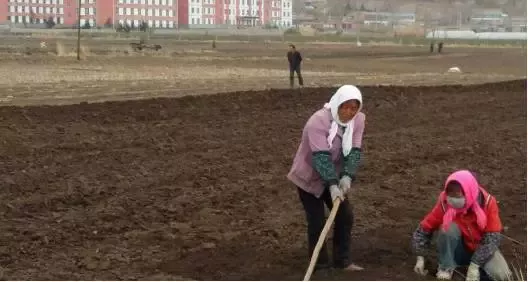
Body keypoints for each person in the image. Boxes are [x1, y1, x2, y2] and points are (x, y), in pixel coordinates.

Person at [287, 85, 366, 272]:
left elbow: (354, 150)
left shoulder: (359, 120)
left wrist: (347, 176)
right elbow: (321, 156)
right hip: (309, 177)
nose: (349, 112)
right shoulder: (318, 121)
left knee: (345, 215)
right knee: (317, 220)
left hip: (335, 176)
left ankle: (343, 261)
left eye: (354, 108)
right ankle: (320, 265)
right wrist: (331, 185)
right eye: (345, 107)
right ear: (337, 104)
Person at [411, 170, 512, 281]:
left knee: (502, 276)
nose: (453, 198)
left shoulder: (488, 203)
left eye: (457, 193)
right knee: (448, 228)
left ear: (468, 191)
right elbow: (423, 229)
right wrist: (420, 257)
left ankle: (477, 268)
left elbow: (493, 239)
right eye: (450, 193)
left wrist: (475, 264)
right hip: (458, 251)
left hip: (482, 249)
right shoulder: (445, 203)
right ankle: (446, 266)